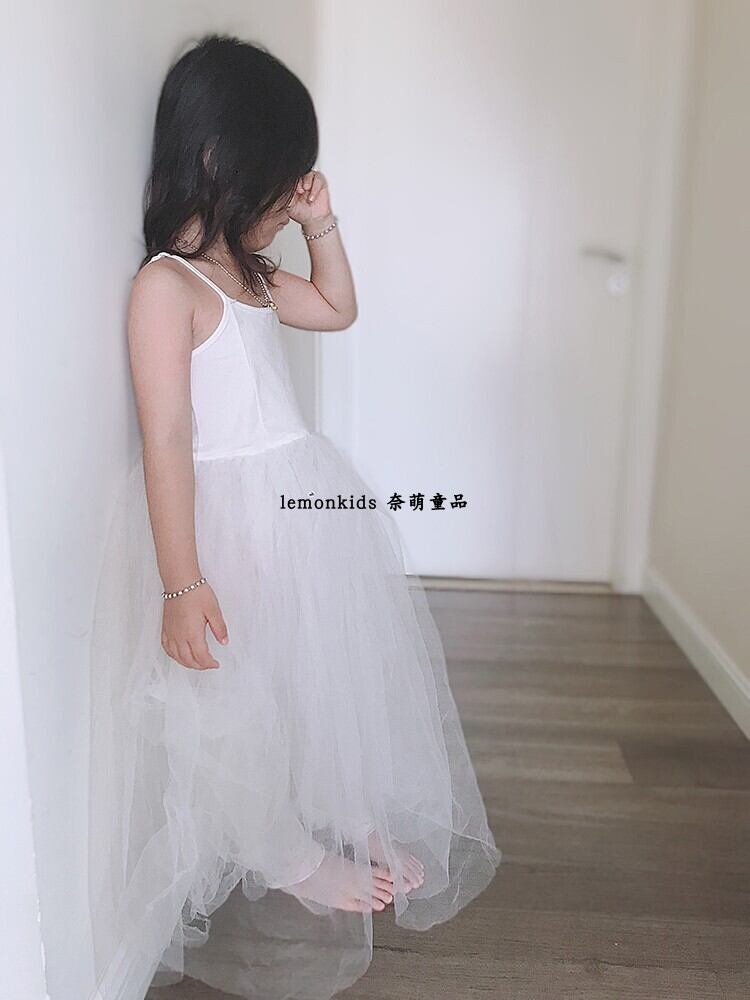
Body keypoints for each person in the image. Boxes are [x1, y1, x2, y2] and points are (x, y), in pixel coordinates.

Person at [87, 32, 500, 1000]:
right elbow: (165, 439)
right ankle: (285, 854)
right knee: (238, 698)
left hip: (295, 509)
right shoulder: (166, 287)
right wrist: (182, 583)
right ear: (217, 160)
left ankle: (339, 803)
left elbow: (339, 309)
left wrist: (322, 224)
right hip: (225, 524)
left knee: (310, 672)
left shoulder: (253, 272)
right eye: (281, 182)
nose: (288, 198)